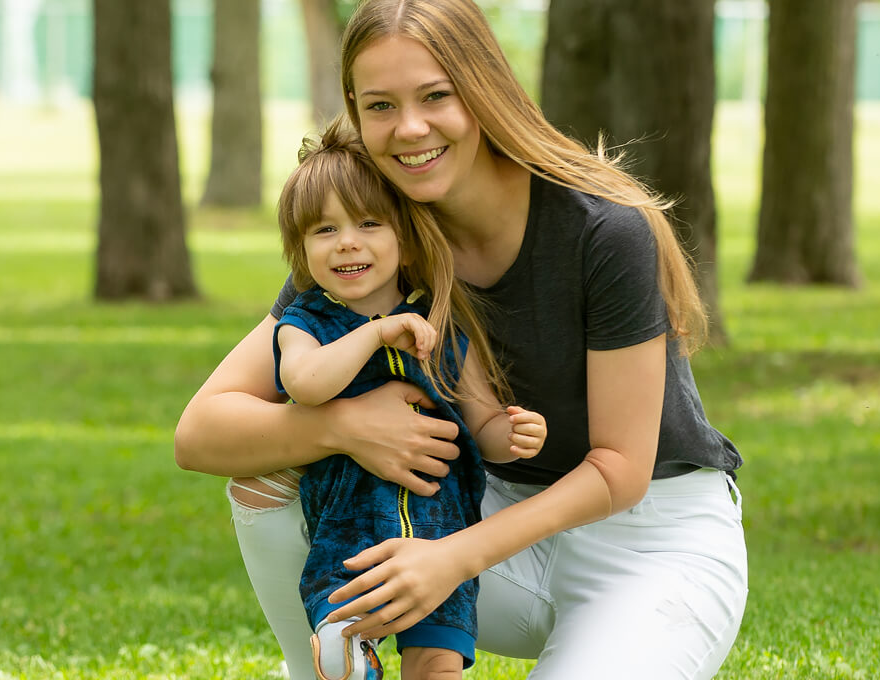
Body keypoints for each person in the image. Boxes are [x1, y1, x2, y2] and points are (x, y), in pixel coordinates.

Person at [173, 1, 748, 678]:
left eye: (436, 96)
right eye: (381, 106)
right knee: (268, 472)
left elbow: (620, 469)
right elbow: (202, 432)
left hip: (650, 543)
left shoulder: (603, 229)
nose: (409, 128)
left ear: (483, 90)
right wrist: (345, 424)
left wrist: (452, 557)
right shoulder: (368, 231)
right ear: (355, 111)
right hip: (480, 512)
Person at [271, 118, 548, 680]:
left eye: (369, 224)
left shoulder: (440, 323)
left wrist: (511, 433)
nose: (347, 241)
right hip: (349, 529)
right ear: (301, 249)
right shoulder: (305, 323)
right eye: (324, 230)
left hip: (440, 534)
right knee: (344, 627)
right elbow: (305, 384)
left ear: (404, 236)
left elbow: (481, 417)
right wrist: (373, 332)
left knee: (438, 661)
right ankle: (346, 655)